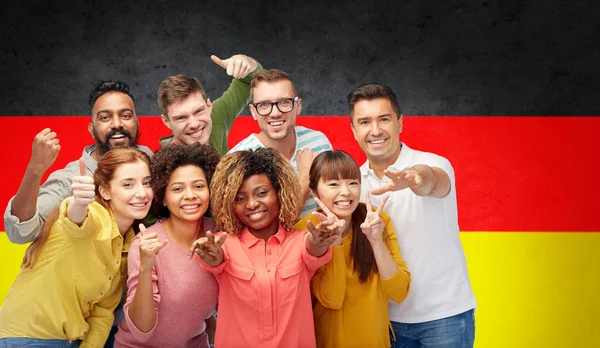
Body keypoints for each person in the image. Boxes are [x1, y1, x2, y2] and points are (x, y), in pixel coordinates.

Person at [347, 83, 476, 347]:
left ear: (400, 123)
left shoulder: (435, 164)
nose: (375, 130)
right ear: (354, 130)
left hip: (444, 318)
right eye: (364, 122)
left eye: (384, 119)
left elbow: (432, 181)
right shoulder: (353, 184)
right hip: (385, 320)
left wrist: (416, 179)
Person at [0, 148, 153, 347]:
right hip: (27, 337)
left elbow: (103, 314)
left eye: (147, 182)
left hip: (71, 340)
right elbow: (76, 221)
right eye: (128, 184)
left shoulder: (128, 244)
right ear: (104, 191)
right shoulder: (94, 214)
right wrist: (79, 202)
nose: (142, 193)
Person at [190, 147, 337, 347]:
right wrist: (212, 256)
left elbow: (312, 249)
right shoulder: (224, 244)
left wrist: (319, 241)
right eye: (240, 198)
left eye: (261, 193)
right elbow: (218, 259)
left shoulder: (300, 241)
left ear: (279, 193)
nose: (251, 204)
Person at [4, 80, 153, 245]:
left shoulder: (146, 157)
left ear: (137, 122)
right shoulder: (70, 179)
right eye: (105, 117)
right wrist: (34, 170)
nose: (117, 124)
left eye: (125, 115)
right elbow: (19, 234)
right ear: (91, 129)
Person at [294, 150, 411, 348]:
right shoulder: (307, 230)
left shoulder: (376, 219)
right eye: (333, 184)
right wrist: (336, 243)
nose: (346, 192)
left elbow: (399, 292)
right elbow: (332, 300)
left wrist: (375, 241)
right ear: (314, 192)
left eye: (352, 182)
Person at [114, 143, 221, 348]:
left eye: (198, 186)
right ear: (163, 197)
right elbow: (142, 330)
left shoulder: (218, 235)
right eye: (178, 188)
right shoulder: (145, 244)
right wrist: (145, 266)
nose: (190, 195)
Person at [229, 69, 333, 218]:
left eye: (284, 102)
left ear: (298, 106)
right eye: (264, 105)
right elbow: (271, 228)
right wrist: (305, 177)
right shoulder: (236, 160)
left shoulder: (319, 142)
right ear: (253, 111)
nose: (275, 113)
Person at [158, 54, 263, 155]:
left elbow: (253, 80)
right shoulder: (165, 165)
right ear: (166, 121)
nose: (194, 124)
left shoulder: (215, 116)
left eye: (199, 111)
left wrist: (244, 62)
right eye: (181, 118)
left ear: (209, 106)